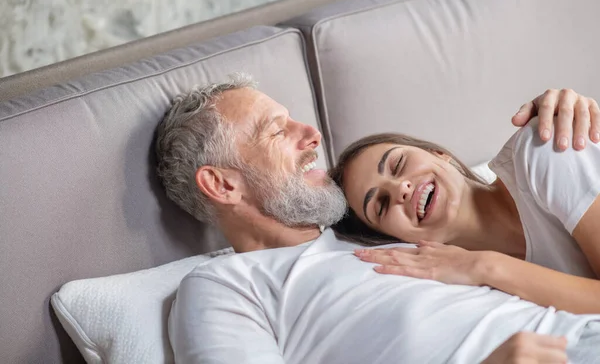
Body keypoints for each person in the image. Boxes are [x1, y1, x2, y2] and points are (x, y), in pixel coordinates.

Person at [155, 74, 600, 363]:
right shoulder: (226, 285)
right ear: (222, 185)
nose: (312, 135)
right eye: (276, 131)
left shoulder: (378, 234)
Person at [329, 88, 600, 317]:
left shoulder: (542, 151)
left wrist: (485, 267)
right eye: (381, 205)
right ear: (394, 238)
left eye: (398, 163)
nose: (401, 188)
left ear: (439, 153)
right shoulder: (456, 288)